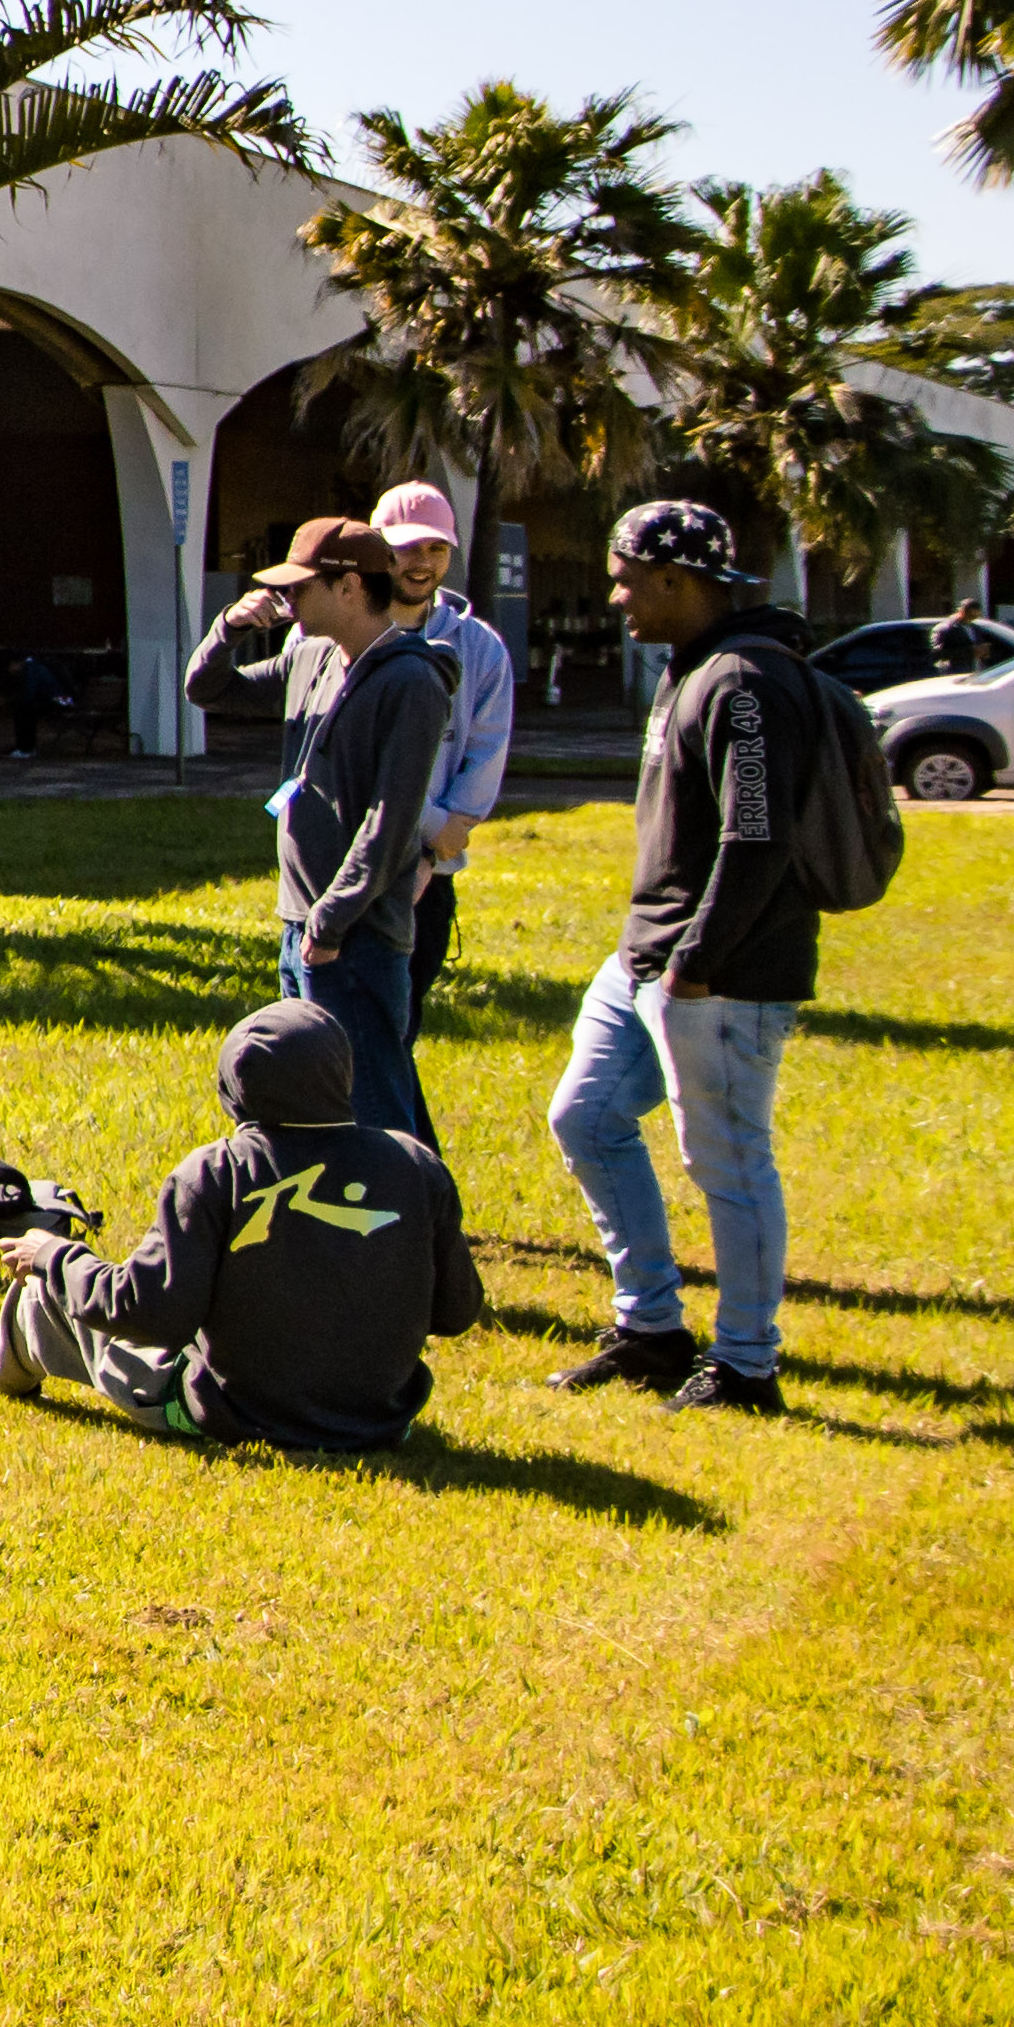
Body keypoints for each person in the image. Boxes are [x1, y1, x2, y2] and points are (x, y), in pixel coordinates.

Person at [544, 500, 820, 1416]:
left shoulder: (745, 681)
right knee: (584, 1117)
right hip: (645, 960)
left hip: (720, 973)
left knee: (730, 1163)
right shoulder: (688, 670)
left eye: (626, 577)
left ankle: (746, 1366)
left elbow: (757, 834)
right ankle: (653, 1330)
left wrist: (696, 962)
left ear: (675, 578)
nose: (616, 594)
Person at [0, 997, 480, 1447]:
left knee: (52, 1292)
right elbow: (457, 1311)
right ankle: (1, 1343)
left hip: (237, 1417)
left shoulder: (218, 1171)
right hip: (384, 1422)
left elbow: (146, 1311)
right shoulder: (414, 1164)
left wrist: (54, 1255)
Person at [187, 516, 451, 1143]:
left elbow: (392, 823)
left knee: (377, 1102)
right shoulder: (309, 656)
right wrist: (230, 627)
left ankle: (414, 1231)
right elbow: (207, 688)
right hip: (300, 923)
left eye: (300, 587)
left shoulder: (412, 680)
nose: (287, 600)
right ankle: (397, 1222)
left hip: (352, 933)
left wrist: (331, 922)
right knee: (323, 1098)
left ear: (352, 588)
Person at [364, 481, 522, 1036]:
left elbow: (486, 748)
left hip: (433, 869)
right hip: (350, 857)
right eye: (407, 548)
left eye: (436, 549)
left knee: (406, 1016)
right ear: (378, 547)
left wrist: (442, 840)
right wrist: (433, 825)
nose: (421, 563)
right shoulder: (346, 630)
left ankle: (396, 1124)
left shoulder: (479, 647)